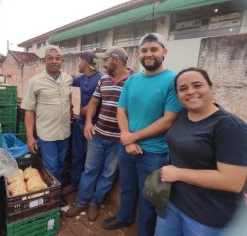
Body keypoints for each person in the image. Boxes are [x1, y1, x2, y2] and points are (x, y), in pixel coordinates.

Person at [155, 67, 247, 236]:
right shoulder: (183, 116)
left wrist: (178, 173)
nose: (191, 92)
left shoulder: (230, 127)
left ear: (211, 87)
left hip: (207, 216)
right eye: (183, 88)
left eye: (197, 85)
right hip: (173, 203)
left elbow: (232, 181)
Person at [102, 33, 183, 236]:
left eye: (154, 49)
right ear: (139, 54)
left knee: (149, 197)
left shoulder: (173, 80)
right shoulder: (132, 80)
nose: (148, 54)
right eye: (144, 50)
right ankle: (124, 218)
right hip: (127, 147)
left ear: (164, 52)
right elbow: (122, 110)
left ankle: (144, 232)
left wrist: (132, 138)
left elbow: (168, 120)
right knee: (128, 187)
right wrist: (126, 137)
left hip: (154, 153)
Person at [66, 46, 131, 221]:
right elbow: (94, 102)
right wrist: (88, 123)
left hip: (119, 140)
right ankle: (81, 202)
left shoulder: (134, 81)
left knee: (108, 174)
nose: (103, 63)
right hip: (98, 134)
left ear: (115, 60)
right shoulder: (104, 80)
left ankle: (95, 202)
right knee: (90, 170)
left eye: (106, 60)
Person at [21, 45, 72, 184]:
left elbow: (69, 98)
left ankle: (56, 190)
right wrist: (30, 137)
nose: (54, 61)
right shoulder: (35, 82)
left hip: (65, 132)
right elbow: (29, 111)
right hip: (47, 134)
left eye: (58, 58)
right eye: (50, 58)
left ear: (62, 61)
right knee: (52, 167)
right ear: (44, 61)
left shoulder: (68, 79)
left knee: (62, 164)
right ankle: (53, 196)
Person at [62, 51, 104, 196]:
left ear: (85, 62)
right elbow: (65, 82)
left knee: (91, 160)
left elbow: (110, 97)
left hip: (95, 125)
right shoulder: (81, 79)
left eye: (79, 61)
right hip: (80, 122)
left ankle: (89, 190)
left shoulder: (102, 78)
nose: (78, 64)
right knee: (77, 154)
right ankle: (75, 183)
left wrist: (94, 106)